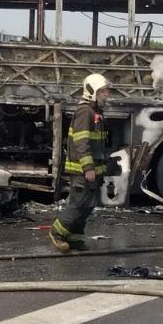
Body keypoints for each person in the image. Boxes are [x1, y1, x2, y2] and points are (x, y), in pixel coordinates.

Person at [49, 73, 111, 253]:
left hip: (92, 170)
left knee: (88, 205)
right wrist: (88, 167)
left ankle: (75, 238)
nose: (107, 94)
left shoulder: (95, 112)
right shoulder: (85, 112)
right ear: (93, 92)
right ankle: (56, 232)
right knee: (79, 204)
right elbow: (81, 142)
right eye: (103, 91)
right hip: (82, 170)